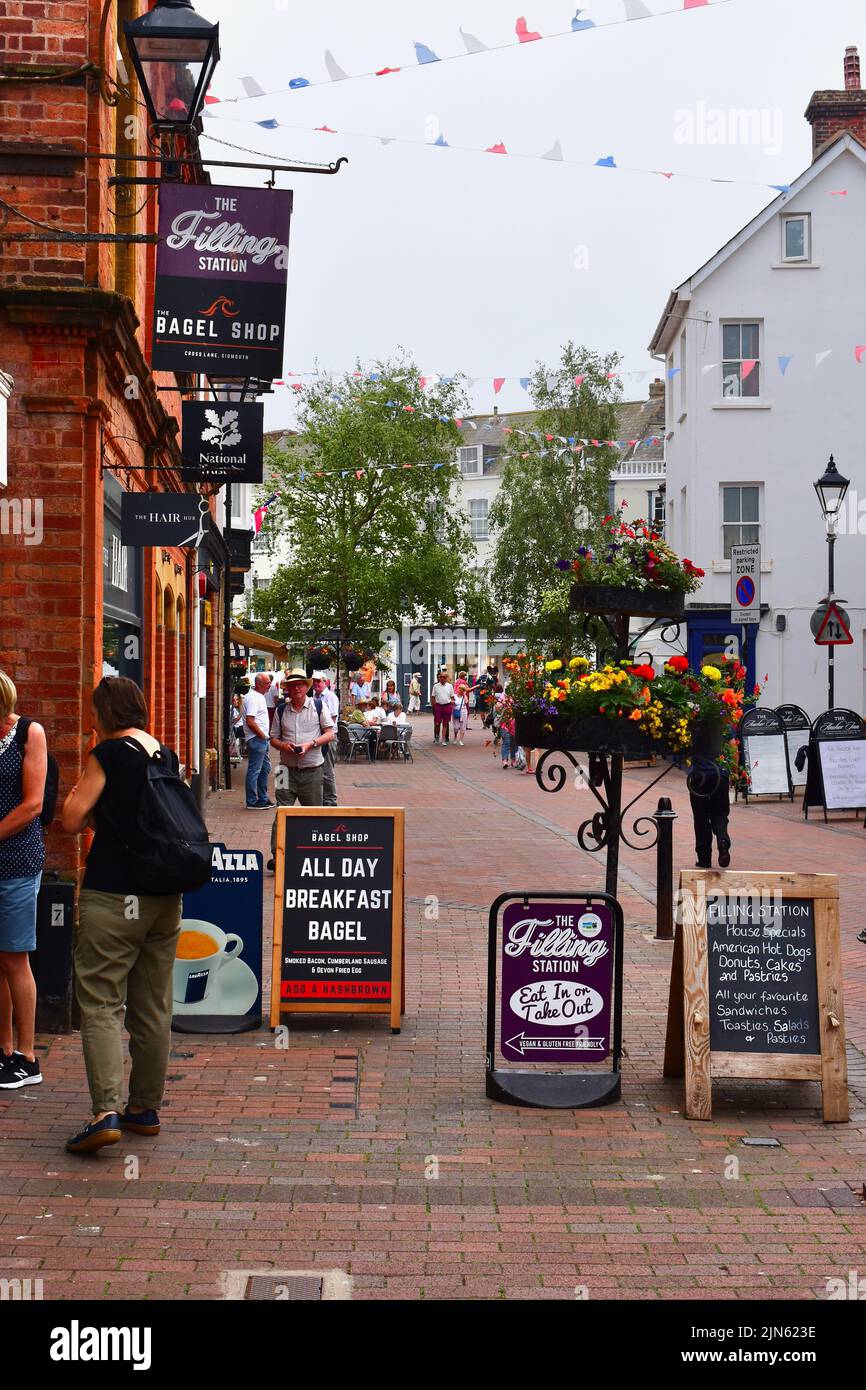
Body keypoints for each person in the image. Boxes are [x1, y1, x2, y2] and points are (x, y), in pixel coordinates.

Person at [60, 676, 183, 1153]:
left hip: (114, 895)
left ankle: (105, 1110)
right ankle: (144, 1109)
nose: (91, 720)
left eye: (94, 712)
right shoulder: (164, 754)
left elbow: (72, 819)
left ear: (106, 714)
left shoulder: (108, 755)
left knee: (103, 1001)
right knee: (152, 1004)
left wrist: (83, 801)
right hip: (163, 895)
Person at [0, 670, 47, 1092]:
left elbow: (33, 804)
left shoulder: (29, 733)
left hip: (16, 861)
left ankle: (28, 1057)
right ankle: (4, 1049)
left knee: (15, 958)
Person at [267, 669, 335, 871]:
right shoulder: (281, 710)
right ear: (287, 688)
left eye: (300, 684)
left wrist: (311, 744)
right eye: (292, 685)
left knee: (313, 815)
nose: (296, 688)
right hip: (284, 770)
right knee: (281, 813)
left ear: (307, 687)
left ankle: (315, 855)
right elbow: (273, 738)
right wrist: (283, 746)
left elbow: (330, 733)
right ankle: (277, 857)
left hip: (312, 770)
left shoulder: (318, 706)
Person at [688, 755, 731, 870]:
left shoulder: (694, 735)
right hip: (720, 775)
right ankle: (722, 840)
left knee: (701, 817)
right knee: (720, 813)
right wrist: (734, 773)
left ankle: (704, 858)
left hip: (699, 776)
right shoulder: (724, 735)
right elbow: (733, 746)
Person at [242, 673, 273, 810]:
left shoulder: (258, 697)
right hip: (257, 739)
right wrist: (262, 735)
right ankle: (252, 801)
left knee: (264, 769)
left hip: (261, 739)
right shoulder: (253, 698)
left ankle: (263, 798)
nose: (270, 685)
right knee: (255, 770)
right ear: (259, 684)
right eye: (267, 683)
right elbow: (250, 721)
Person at [312, 675, 339, 807]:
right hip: (318, 737)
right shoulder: (314, 697)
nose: (316, 684)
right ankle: (323, 799)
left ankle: (330, 801)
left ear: (325, 682)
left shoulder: (330, 696)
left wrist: (324, 734)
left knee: (327, 770)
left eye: (318, 681)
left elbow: (332, 718)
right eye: (314, 682)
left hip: (328, 737)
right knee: (319, 769)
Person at [431, 670, 455, 745]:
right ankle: (437, 737)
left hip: (447, 706)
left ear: (446, 678)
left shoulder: (449, 686)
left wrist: (452, 704)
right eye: (440, 677)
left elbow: (452, 697)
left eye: (443, 677)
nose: (441, 678)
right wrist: (434, 706)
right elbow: (433, 697)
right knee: (437, 723)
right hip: (438, 706)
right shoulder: (435, 686)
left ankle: (444, 739)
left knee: (445, 723)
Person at [452, 680, 470, 747]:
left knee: (463, 727)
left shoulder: (464, 696)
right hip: (456, 712)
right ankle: (455, 736)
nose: (461, 690)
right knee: (456, 727)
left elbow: (466, 702)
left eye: (463, 690)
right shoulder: (454, 696)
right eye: (460, 689)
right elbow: (452, 702)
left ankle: (461, 740)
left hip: (464, 712)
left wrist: (465, 695)